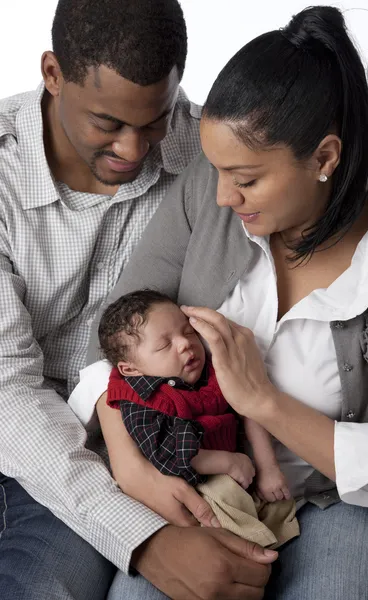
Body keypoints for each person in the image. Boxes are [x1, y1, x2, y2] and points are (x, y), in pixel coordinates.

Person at [80, 4, 368, 599]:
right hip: (194, 480)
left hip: (336, 506)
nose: (222, 196)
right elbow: (118, 337)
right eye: (216, 170)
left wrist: (263, 402)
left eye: (246, 179)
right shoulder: (207, 191)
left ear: (325, 159)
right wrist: (131, 465)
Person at [0, 1, 277, 599]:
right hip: (26, 443)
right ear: (52, 73)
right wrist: (140, 534)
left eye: (155, 120)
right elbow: (6, 389)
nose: (134, 148)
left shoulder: (213, 158)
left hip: (136, 451)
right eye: (107, 123)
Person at [92, 289, 297, 547]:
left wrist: (269, 468)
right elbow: (167, 452)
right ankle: (248, 549)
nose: (185, 343)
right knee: (224, 509)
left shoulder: (213, 371)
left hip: (240, 473)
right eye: (165, 345)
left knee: (280, 507)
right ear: (131, 369)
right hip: (187, 485)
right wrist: (228, 462)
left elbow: (250, 410)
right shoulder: (139, 397)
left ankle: (273, 538)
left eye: (188, 331)